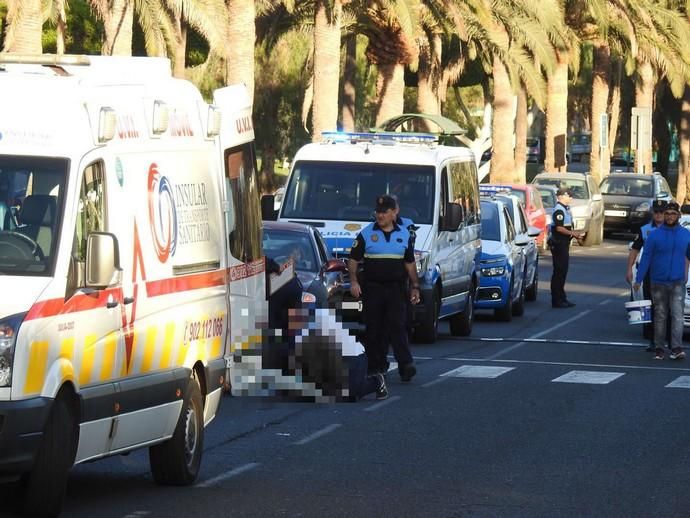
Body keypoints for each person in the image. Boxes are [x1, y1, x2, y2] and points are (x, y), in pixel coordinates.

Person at [348, 195, 420, 382]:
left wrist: (415, 286)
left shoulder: (404, 234)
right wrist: (354, 281)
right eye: (378, 212)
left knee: (398, 326)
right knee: (374, 329)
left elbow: (410, 263)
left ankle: (406, 365)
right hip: (373, 289)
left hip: (396, 289)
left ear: (393, 213)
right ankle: (376, 366)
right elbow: (353, 260)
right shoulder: (366, 234)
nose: (379, 215)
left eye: (384, 212)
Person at [634, 201, 690, 360]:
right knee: (660, 315)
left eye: (673, 214)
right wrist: (639, 279)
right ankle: (659, 347)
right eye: (667, 214)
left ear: (678, 215)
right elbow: (646, 257)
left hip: (678, 281)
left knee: (677, 315)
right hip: (658, 281)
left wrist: (685, 273)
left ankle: (677, 348)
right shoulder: (655, 235)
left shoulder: (686, 234)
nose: (670, 216)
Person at [626, 200, 668, 351]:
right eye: (656, 212)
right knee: (648, 305)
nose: (659, 215)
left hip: (667, 273)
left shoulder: (672, 228)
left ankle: (666, 339)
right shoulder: (644, 229)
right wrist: (629, 269)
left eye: (662, 212)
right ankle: (652, 340)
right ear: (652, 212)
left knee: (665, 306)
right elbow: (635, 250)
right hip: (650, 272)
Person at [549, 188, 585, 308]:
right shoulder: (559, 210)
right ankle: (557, 300)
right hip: (558, 244)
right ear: (562, 196)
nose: (571, 198)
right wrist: (573, 234)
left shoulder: (565, 209)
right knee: (559, 272)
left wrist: (575, 233)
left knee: (563, 272)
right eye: (569, 196)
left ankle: (562, 298)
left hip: (563, 243)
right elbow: (559, 228)